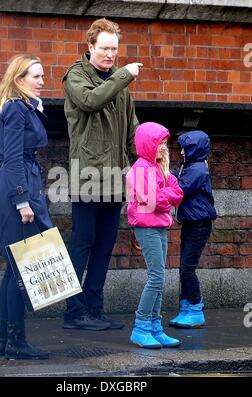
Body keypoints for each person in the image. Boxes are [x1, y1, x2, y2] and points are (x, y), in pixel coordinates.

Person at [62, 18, 142, 330]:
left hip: (114, 177)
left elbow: (132, 127)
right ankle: (73, 311)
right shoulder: (76, 76)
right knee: (82, 244)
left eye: (114, 49)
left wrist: (149, 156)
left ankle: (94, 309)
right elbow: (91, 100)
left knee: (105, 245)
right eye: (105, 48)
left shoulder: (120, 85)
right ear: (90, 47)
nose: (110, 55)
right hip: (87, 176)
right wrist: (123, 76)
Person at [0, 54, 53, 359]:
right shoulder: (15, 109)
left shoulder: (24, 108)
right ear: (19, 79)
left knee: (14, 270)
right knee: (19, 269)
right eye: (36, 76)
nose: (41, 81)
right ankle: (15, 341)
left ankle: (5, 341)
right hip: (16, 194)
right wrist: (23, 200)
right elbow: (11, 159)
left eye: (42, 75)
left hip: (20, 187)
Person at [126, 122, 184, 348]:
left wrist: (164, 194)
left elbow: (178, 194)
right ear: (147, 144)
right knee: (157, 277)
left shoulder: (158, 168)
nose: (162, 147)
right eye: (158, 143)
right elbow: (154, 201)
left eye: (164, 143)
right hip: (147, 226)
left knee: (159, 278)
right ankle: (141, 327)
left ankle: (155, 327)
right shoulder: (140, 168)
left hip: (159, 225)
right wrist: (164, 195)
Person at [169, 130, 217, 328]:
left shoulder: (198, 169)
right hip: (191, 223)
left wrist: (163, 176)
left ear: (194, 149)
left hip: (199, 224)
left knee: (187, 269)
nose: (180, 152)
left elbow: (180, 189)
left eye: (184, 149)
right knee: (184, 268)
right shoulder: (190, 166)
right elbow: (178, 179)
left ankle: (195, 308)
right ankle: (186, 307)